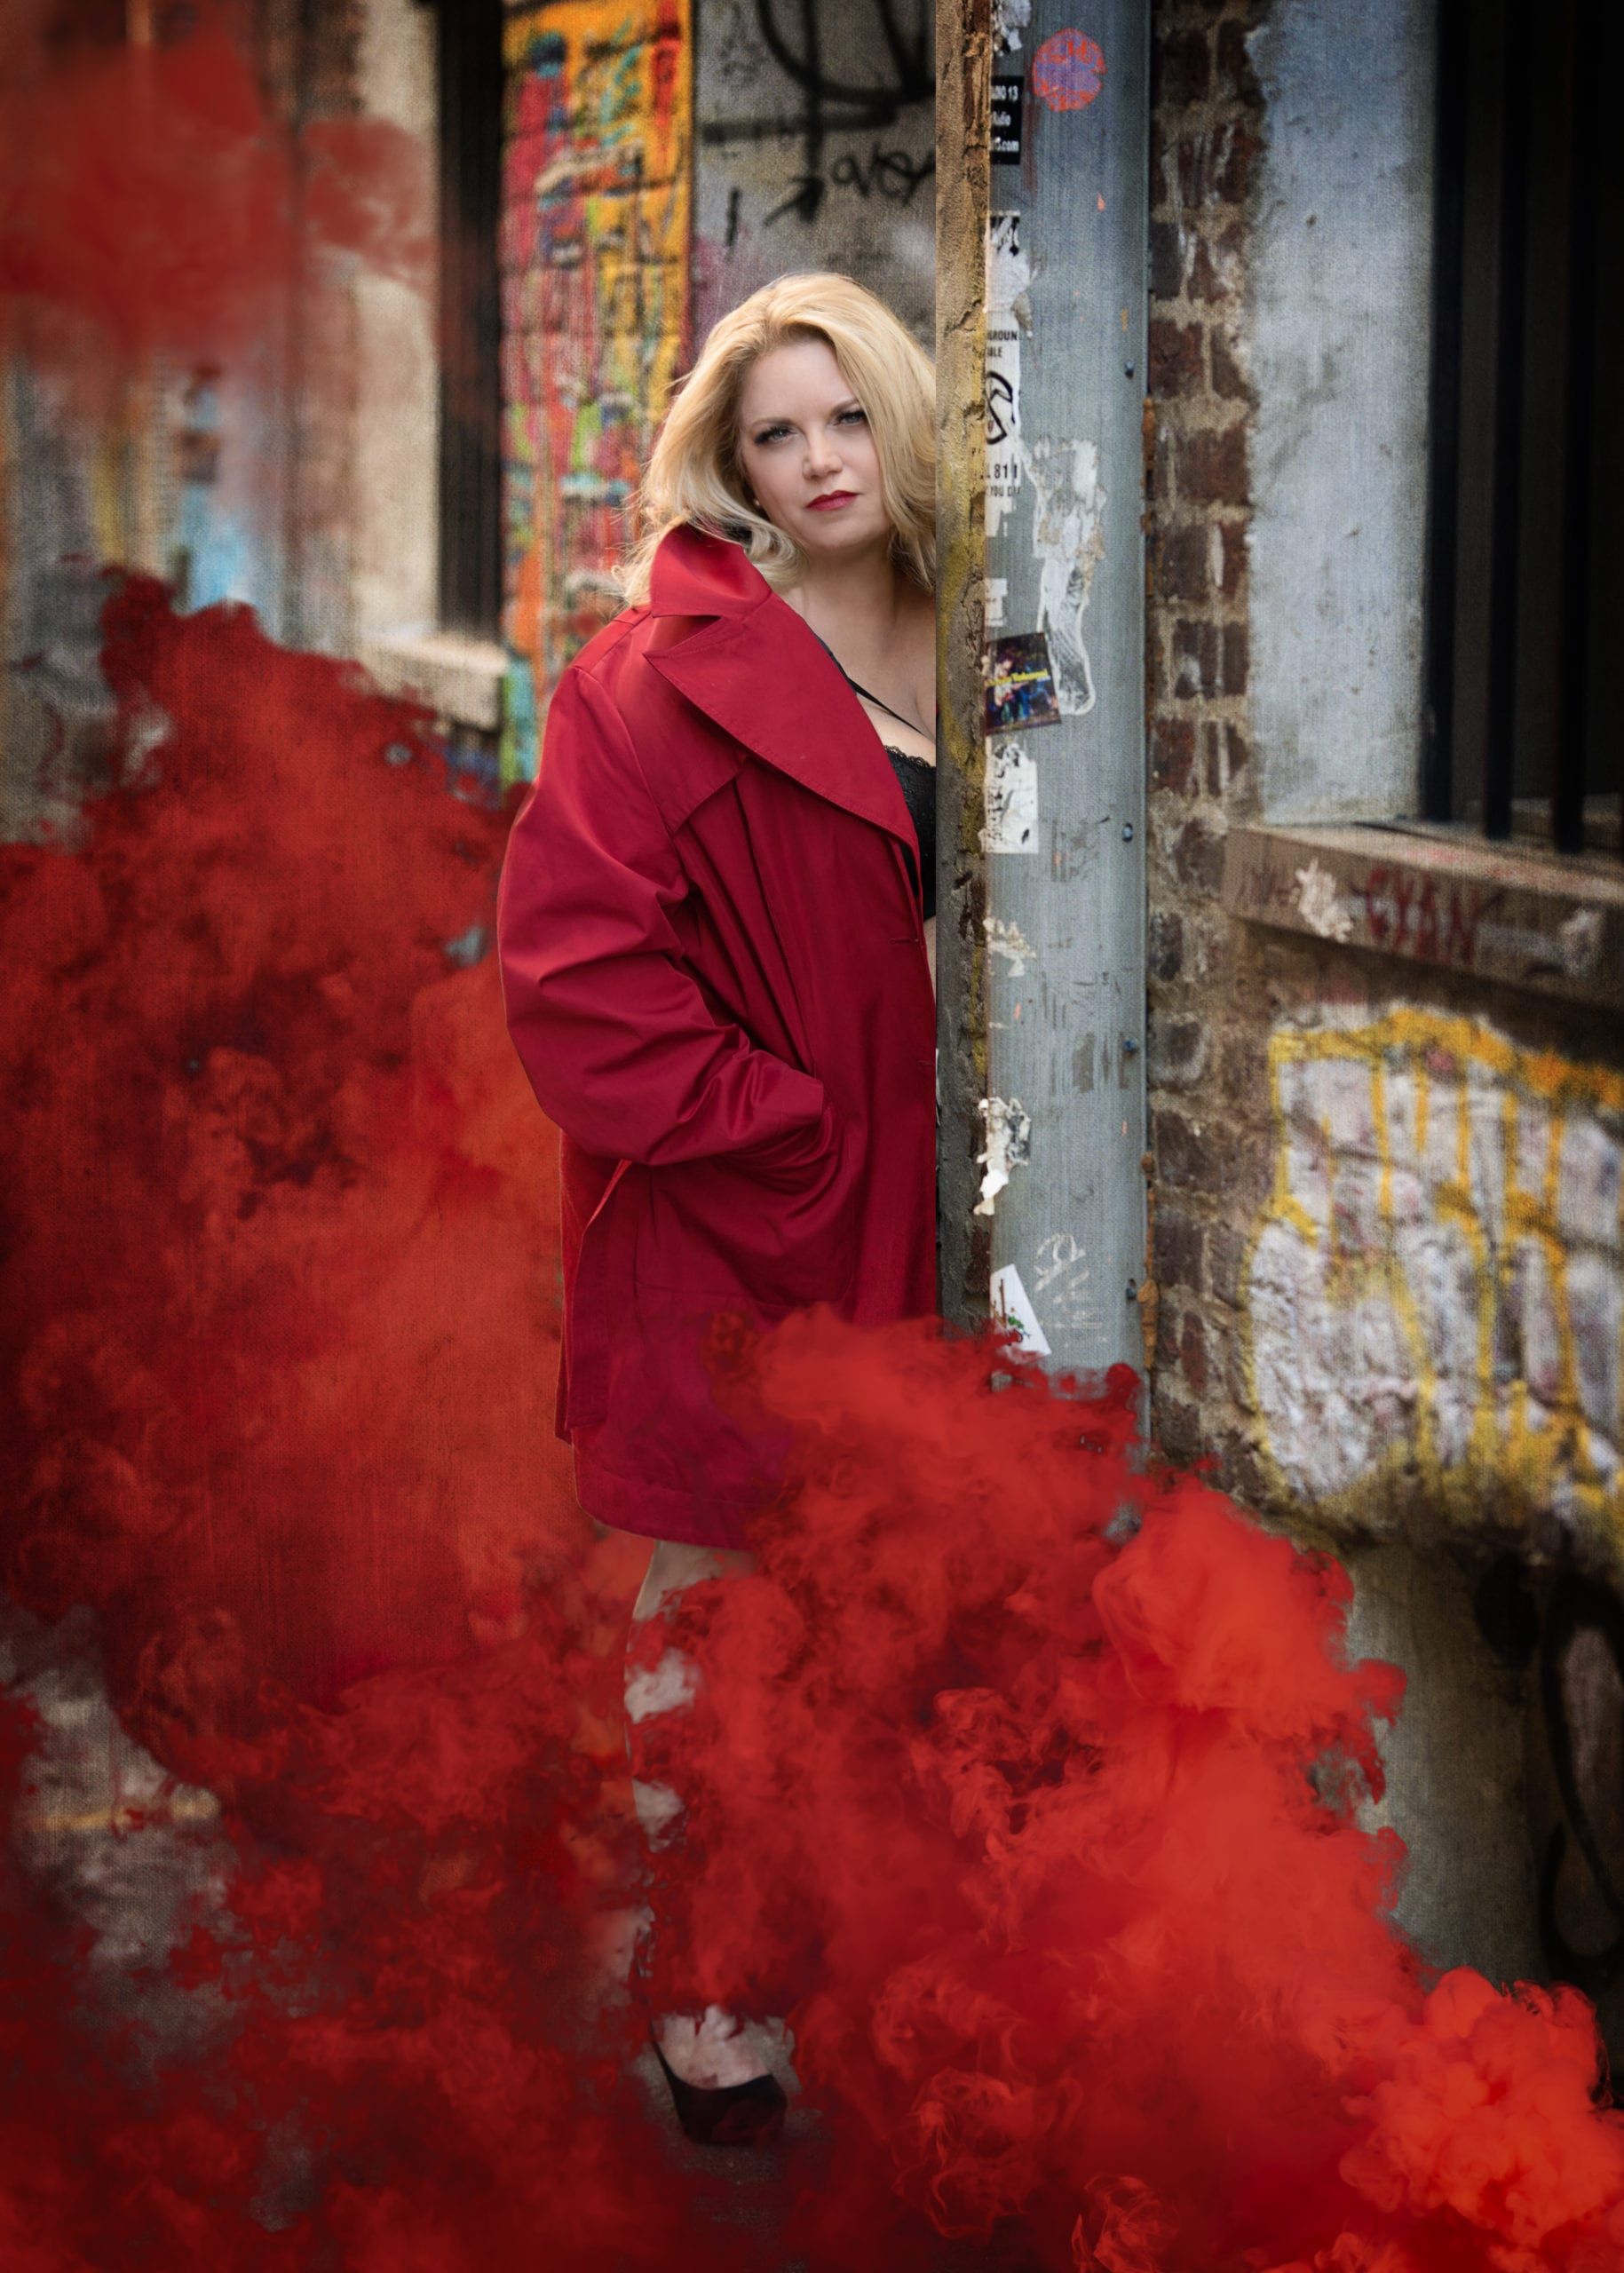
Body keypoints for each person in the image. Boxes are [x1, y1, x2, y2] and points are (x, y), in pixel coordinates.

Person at [495, 271, 938, 2144]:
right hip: (748, 1220)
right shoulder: (648, 683)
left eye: (849, 417)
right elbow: (576, 987)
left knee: (911, 1602)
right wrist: (792, 1130)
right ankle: (710, 1998)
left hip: (967, 1211)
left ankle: (903, 1984)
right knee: (723, 1602)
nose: (822, 459)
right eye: (778, 432)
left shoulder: (1007, 628)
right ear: (730, 463)